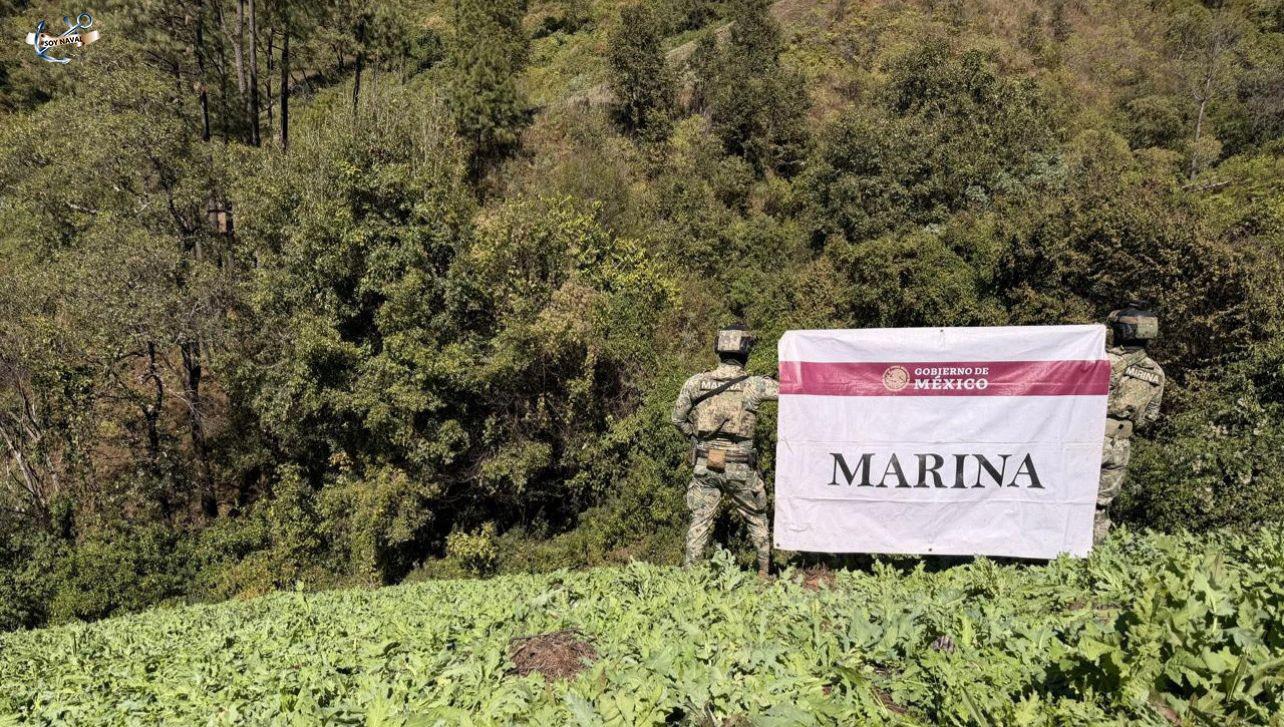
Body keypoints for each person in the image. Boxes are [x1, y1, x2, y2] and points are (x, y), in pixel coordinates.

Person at [671, 323, 779, 576]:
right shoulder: (755, 385)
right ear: (746, 351)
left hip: (705, 463)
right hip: (740, 466)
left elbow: (677, 418)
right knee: (756, 518)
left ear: (718, 348)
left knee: (699, 521)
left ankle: (690, 577)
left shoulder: (696, 383)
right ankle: (764, 574)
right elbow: (795, 391)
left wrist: (694, 438)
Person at [1097, 305, 1165, 544]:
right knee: (1101, 506)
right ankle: (1092, 561)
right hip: (1121, 446)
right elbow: (1150, 417)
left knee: (1074, 498)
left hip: (1092, 440)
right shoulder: (1156, 371)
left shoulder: (1103, 361)